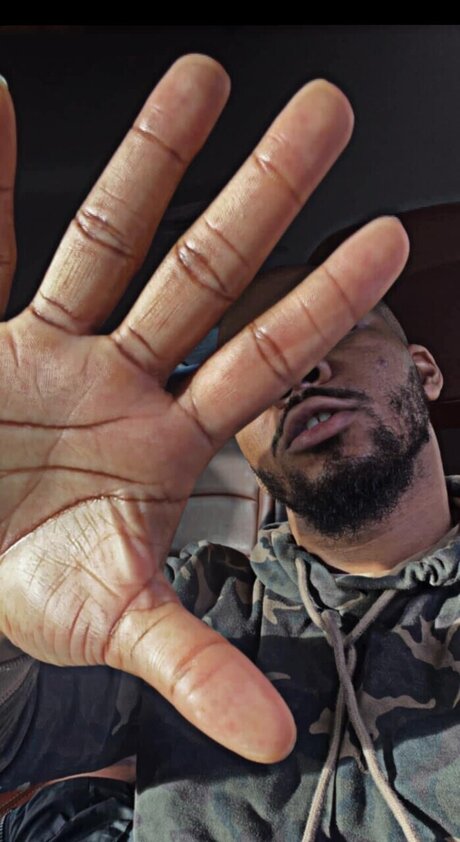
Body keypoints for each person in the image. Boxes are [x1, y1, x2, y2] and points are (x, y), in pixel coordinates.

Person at [0, 53, 457, 842]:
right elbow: (14, 743)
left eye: (339, 332)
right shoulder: (184, 602)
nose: (301, 372)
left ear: (425, 371)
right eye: (255, 370)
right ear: (238, 437)